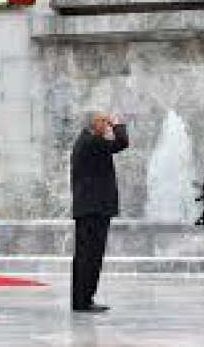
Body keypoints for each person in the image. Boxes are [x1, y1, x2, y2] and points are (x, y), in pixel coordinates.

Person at [71, 111, 129, 312]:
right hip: (93, 210)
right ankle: (83, 300)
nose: (107, 125)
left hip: (90, 209)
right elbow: (122, 143)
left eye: (107, 122)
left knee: (87, 256)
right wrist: (118, 124)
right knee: (90, 256)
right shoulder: (92, 141)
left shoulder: (87, 140)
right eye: (104, 121)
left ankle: (83, 299)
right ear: (95, 123)